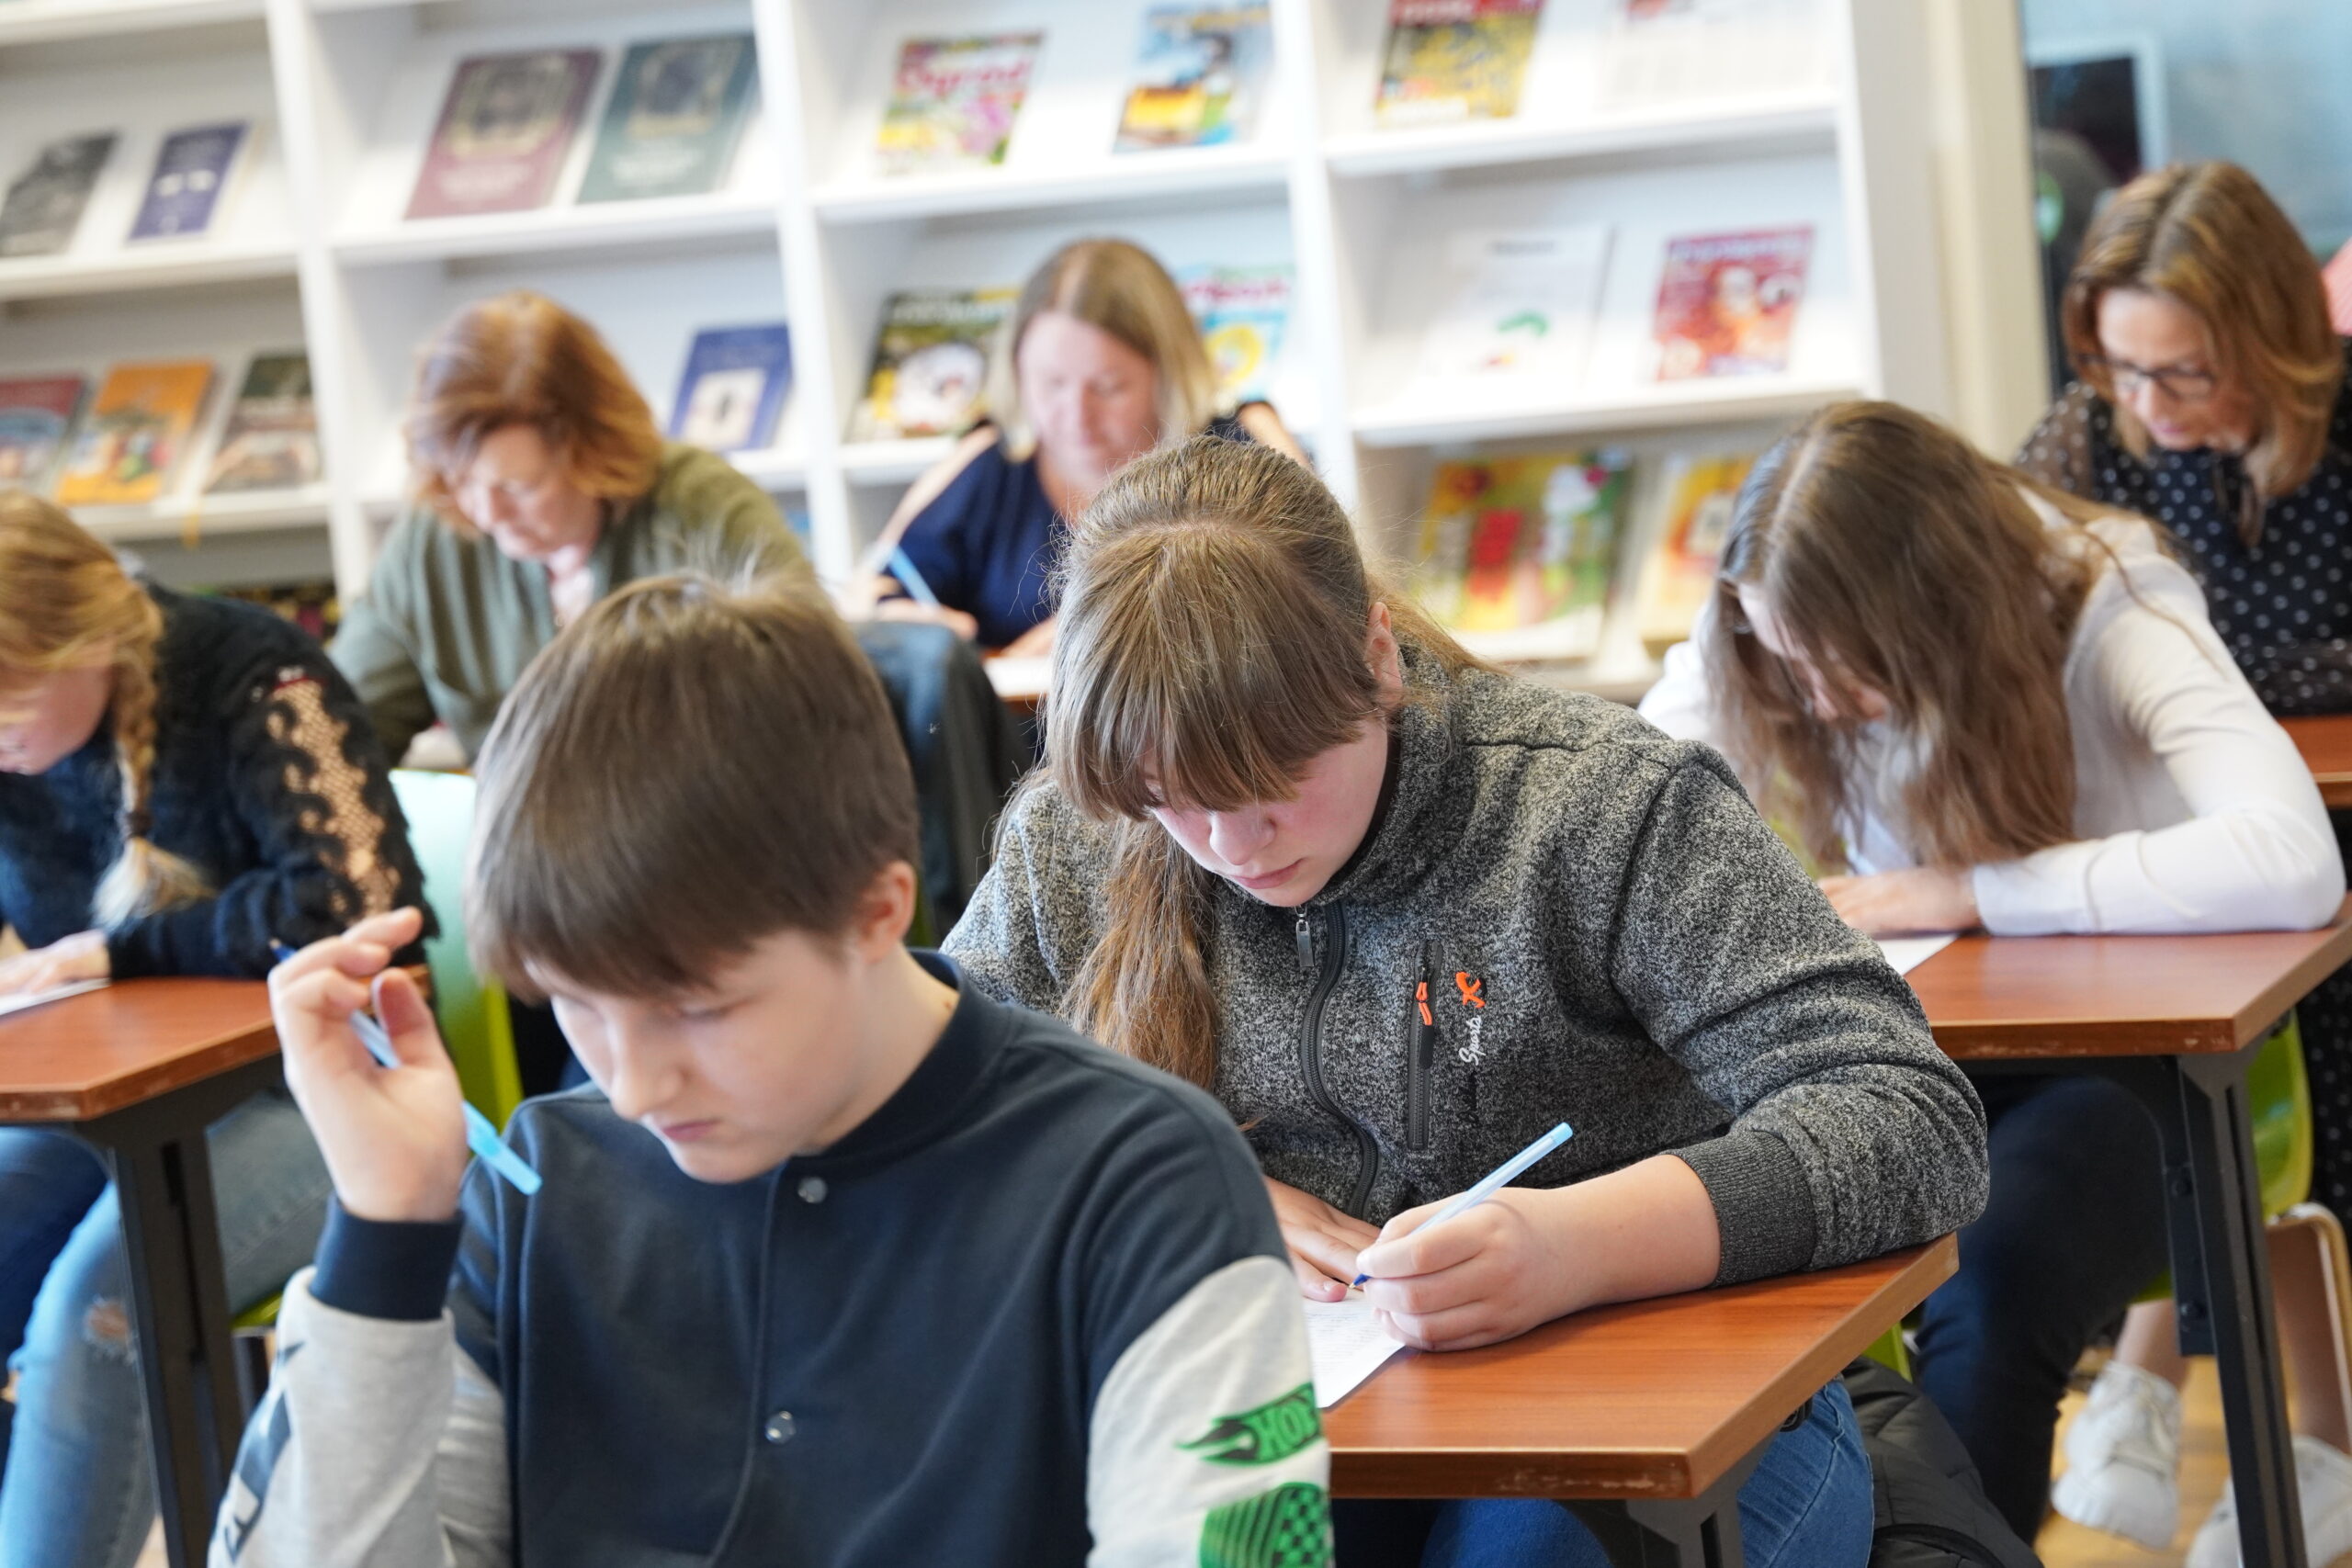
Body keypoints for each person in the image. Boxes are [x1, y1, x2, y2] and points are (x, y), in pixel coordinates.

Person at [945, 436, 1989, 1566]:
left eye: (1274, 778)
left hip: (1668, 1420)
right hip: (1309, 1411)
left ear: (1375, 662)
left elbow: (1908, 1118)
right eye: (1170, 799)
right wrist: (1194, 1186)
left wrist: (1575, 1246)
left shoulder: (1595, 806)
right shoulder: (1076, 836)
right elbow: (932, 1115)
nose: (1230, 844)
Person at [214, 573, 1332, 1566]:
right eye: (577, 1005)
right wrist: (383, 1237)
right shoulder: (534, 1188)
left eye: (697, 1010)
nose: (634, 1089)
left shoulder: (1141, 1185)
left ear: (877, 910)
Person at [1638, 400, 2346, 1552]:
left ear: (1936, 614)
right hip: (1916, 1061)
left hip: (2137, 1074)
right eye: (1785, 661)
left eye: (1844, 668)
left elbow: (2291, 858)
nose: (1814, 702)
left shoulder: (2108, 595)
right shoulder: (1768, 622)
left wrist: (1974, 890)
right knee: (1708, 1241)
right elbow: (1632, 803)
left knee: (1989, 1281)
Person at [2015, 161, 2352, 1563]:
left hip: (2316, 844)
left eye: (2186, 373)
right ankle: (2276, 1430)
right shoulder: (2090, 437)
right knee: (2183, 1035)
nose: (2150, 405)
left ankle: (2190, 1395)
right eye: (2124, 367)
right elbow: (2011, 625)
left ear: (2272, 339)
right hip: (2183, 844)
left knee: (2260, 1036)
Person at [0, 493, 426, 1568]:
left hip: (318, 1087)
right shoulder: (19, 746)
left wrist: (127, 950)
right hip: (113, 1090)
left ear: (88, 644)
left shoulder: (260, 673)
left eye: (7, 703)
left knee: (98, 1309)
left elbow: (364, 904)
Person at [332, 289, 808, 766]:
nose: (488, 514)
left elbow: (807, 690)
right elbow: (340, 732)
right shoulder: (431, 539)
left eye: (518, 487)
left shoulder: (703, 508)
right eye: (462, 481)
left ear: (593, 451)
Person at [862, 237, 1304, 656]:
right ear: (1017, 371)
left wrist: (1107, 630)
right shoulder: (988, 463)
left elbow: (1316, 600)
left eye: (1109, 387)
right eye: (1052, 384)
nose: (1076, 415)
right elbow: (879, 591)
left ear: (1169, 375)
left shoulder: (1246, 454)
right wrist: (900, 623)